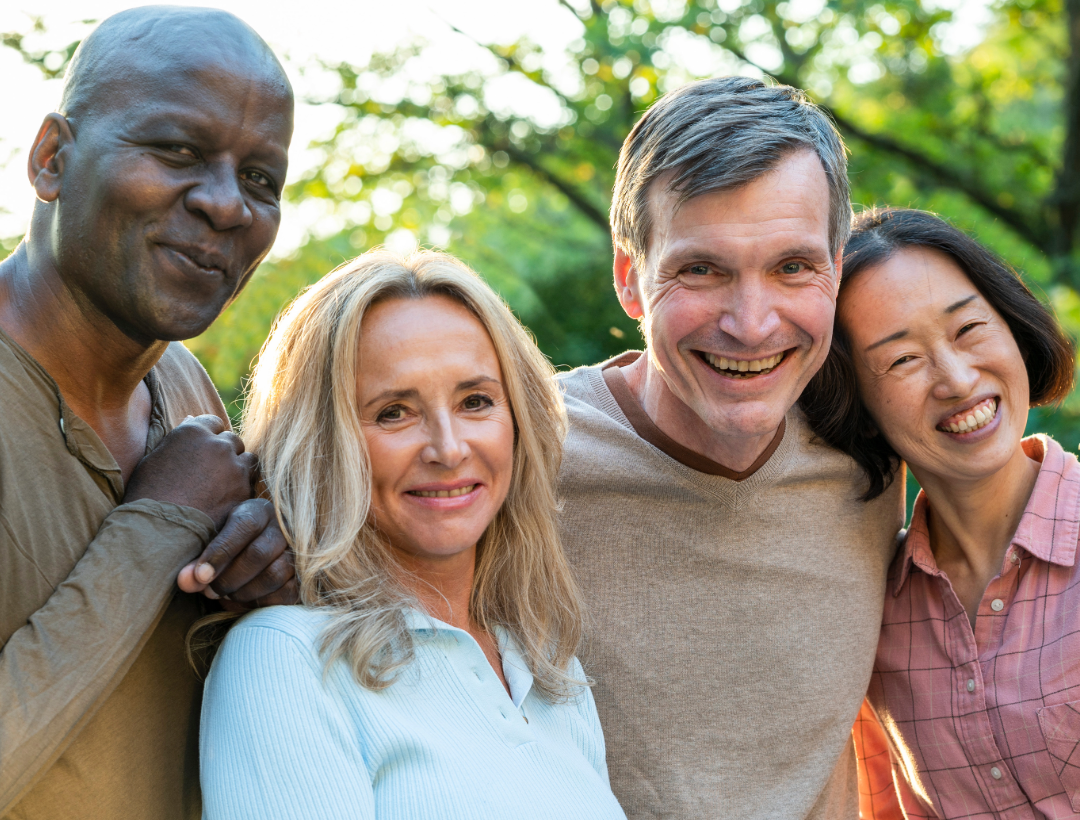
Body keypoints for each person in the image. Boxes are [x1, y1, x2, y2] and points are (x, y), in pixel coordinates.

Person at [555, 76, 905, 818]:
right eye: (701, 270)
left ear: (836, 271)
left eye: (791, 267)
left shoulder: (873, 447)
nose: (750, 324)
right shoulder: (519, 457)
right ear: (630, 278)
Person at [199, 250, 627, 820]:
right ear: (323, 443)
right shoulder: (288, 658)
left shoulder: (549, 666)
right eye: (394, 412)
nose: (449, 449)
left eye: (475, 401)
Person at [0, 7, 299, 819]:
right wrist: (159, 525)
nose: (227, 205)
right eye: (177, 152)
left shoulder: (186, 388)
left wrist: (265, 573)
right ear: (52, 159)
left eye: (261, 179)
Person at [801, 208, 1080, 819]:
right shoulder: (875, 618)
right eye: (902, 360)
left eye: (969, 329)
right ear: (860, 404)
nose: (956, 379)